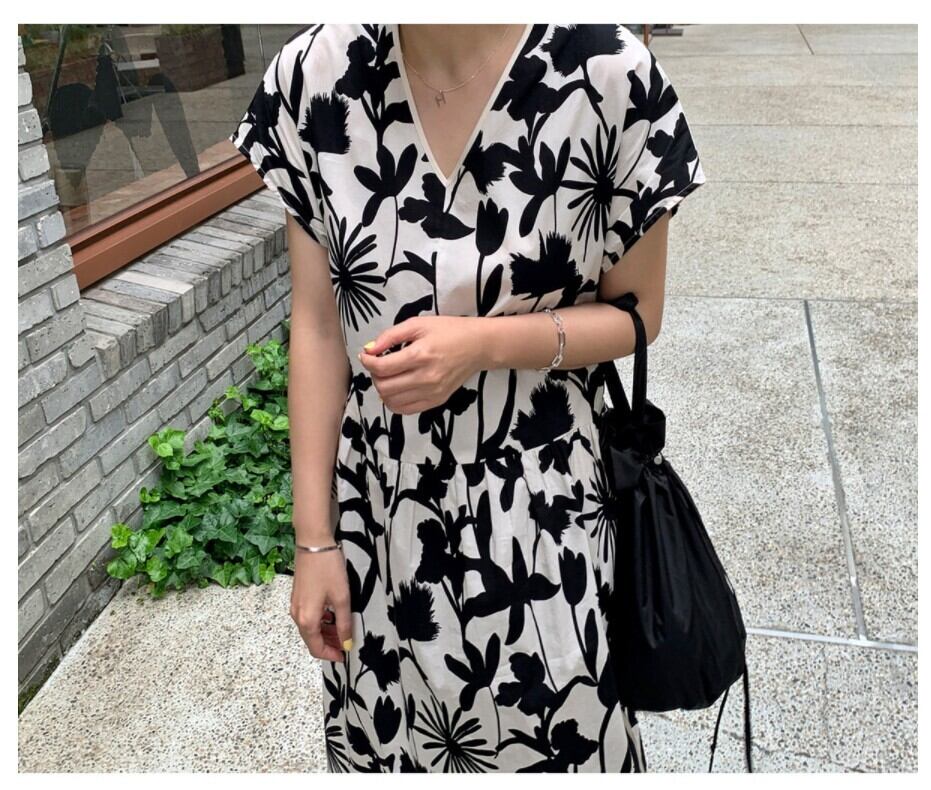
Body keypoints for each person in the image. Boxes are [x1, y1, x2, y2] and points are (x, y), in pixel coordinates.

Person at [228, 22, 705, 773]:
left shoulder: (608, 74)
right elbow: (317, 324)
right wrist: (314, 540)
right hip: (378, 515)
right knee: (392, 745)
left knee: (554, 740)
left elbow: (638, 313)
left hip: (543, 515)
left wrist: (482, 344)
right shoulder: (311, 79)